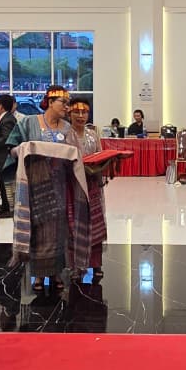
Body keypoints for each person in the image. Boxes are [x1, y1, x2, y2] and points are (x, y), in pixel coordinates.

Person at [14, 86, 90, 291]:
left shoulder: (67, 129)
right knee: (38, 229)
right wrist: (22, 150)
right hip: (35, 186)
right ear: (49, 102)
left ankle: (56, 273)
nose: (67, 107)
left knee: (58, 230)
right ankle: (38, 275)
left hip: (59, 186)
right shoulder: (29, 122)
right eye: (63, 102)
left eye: (67, 103)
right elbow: (11, 146)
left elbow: (77, 156)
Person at [68, 99, 110, 275]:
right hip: (72, 186)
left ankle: (96, 263)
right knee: (75, 225)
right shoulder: (65, 135)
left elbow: (100, 156)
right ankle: (75, 265)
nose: (80, 116)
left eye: (84, 112)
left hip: (92, 185)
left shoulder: (93, 135)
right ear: (69, 113)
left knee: (95, 223)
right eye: (76, 112)